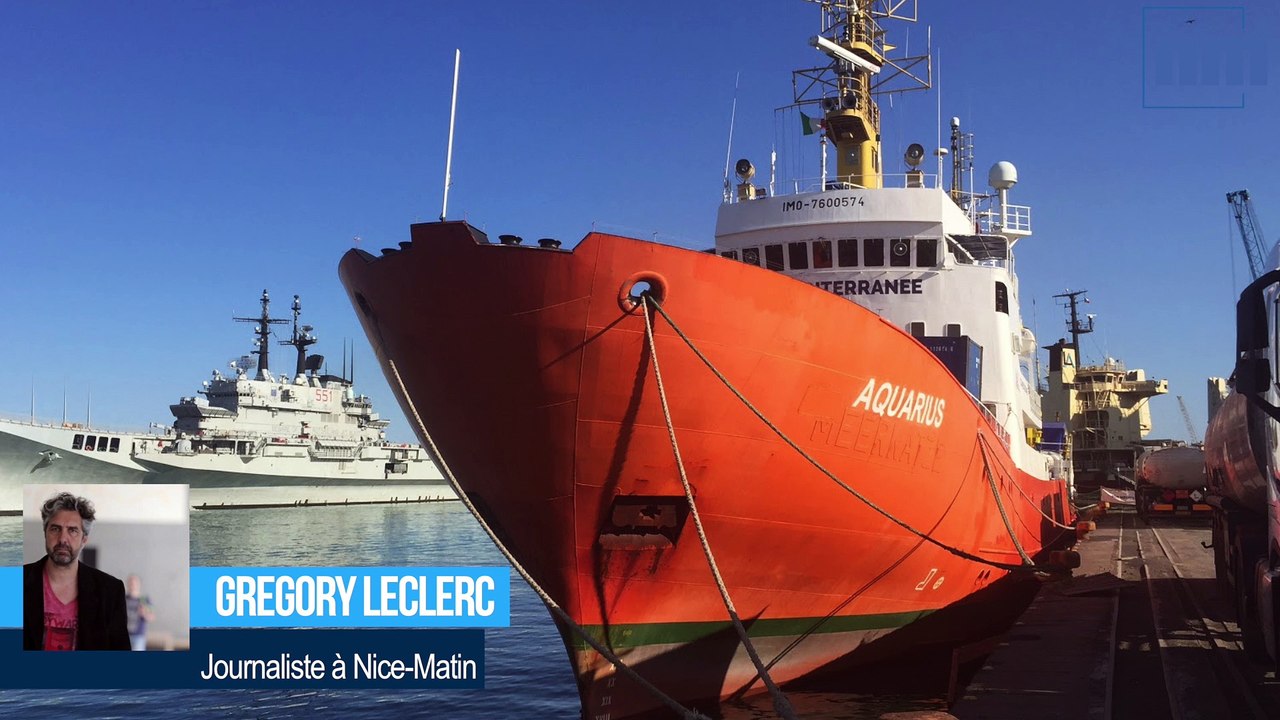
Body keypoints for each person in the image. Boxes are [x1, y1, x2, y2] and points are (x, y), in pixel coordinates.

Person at [22, 491, 130, 651]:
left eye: (72, 530)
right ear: (45, 533)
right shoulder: (14, 583)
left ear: (84, 540)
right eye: (55, 529)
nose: (62, 539)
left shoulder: (111, 591)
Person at [125, 574, 155, 651]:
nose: (133, 585)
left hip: (138, 636)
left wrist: (144, 613)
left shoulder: (144, 599)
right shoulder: (123, 598)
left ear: (139, 585)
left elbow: (151, 617)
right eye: (131, 583)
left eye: (135, 583)